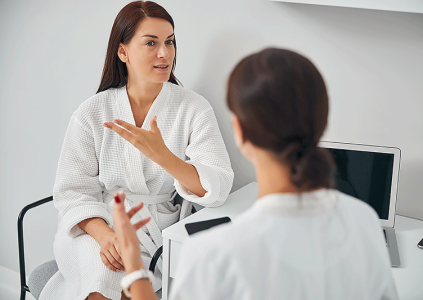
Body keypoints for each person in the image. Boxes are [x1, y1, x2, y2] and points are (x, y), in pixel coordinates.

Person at [112, 48, 399, 300]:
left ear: (240, 133)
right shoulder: (364, 222)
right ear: (320, 125)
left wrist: (134, 264)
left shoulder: (214, 256)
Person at [40, 1, 233, 300]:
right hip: (97, 227)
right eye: (151, 43)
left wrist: (164, 157)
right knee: (104, 275)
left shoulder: (194, 108)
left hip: (159, 231)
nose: (164, 53)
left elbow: (218, 187)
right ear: (123, 52)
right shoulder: (92, 112)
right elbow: (72, 191)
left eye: (169, 42)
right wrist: (107, 237)